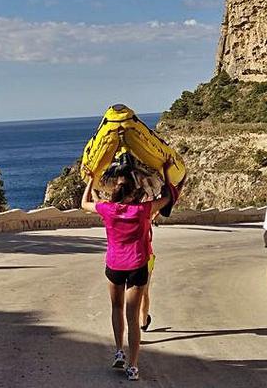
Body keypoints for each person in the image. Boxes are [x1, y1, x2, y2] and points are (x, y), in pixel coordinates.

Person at [82, 159, 173, 381]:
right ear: (134, 194)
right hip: (137, 267)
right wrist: (165, 172)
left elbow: (85, 202)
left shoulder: (108, 209)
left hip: (114, 266)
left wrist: (92, 178)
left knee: (116, 308)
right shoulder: (143, 210)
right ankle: (133, 367)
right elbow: (168, 198)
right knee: (133, 318)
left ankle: (118, 351)